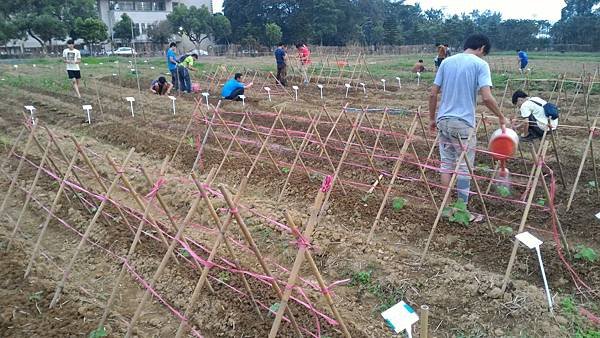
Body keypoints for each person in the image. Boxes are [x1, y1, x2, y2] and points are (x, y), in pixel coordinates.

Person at [428, 33, 506, 210]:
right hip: (463, 124)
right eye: (484, 53)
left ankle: (446, 207)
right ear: (482, 48)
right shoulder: (480, 64)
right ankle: (461, 209)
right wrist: (501, 116)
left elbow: (433, 93)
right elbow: (486, 97)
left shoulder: (446, 62)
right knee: (464, 167)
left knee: (446, 164)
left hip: (443, 121)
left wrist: (432, 119)